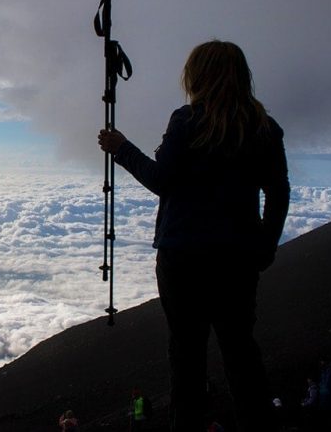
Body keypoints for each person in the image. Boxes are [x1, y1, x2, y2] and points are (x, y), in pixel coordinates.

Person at [98, 40, 290, 432]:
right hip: (238, 259)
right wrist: (265, 246)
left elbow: (160, 180)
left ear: (197, 75)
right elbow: (278, 191)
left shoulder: (186, 121)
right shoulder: (263, 128)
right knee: (241, 353)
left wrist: (122, 148)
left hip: (182, 258)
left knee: (186, 358)